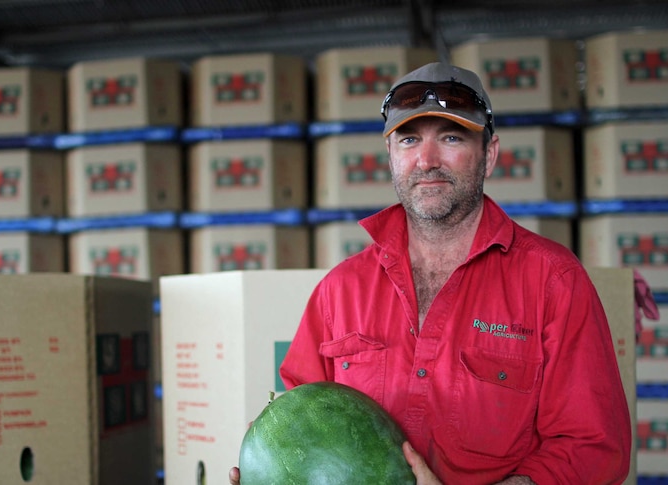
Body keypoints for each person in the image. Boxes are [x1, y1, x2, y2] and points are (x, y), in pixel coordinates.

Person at [230, 62, 631, 484]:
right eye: (408, 140)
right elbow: (298, 428)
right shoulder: (340, 290)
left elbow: (594, 448)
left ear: (489, 154)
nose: (426, 160)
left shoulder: (553, 281)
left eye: (451, 137)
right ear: (390, 156)